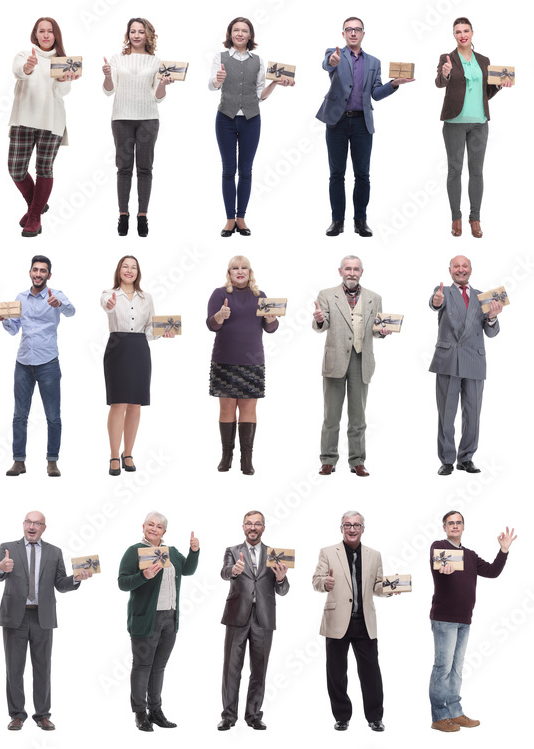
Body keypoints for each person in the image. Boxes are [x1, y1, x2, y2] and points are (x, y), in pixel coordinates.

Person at [0, 510, 89, 731]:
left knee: (43, 668)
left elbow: (61, 584)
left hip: (42, 616)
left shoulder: (54, 552)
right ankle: (17, 715)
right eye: (29, 522)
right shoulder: (8, 548)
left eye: (37, 523)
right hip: (14, 616)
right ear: (23, 524)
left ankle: (42, 715)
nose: (32, 526)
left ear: (44, 528)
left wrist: (76, 579)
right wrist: (1, 568)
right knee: (14, 668)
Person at [316, 16, 413, 237]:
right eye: (348, 30)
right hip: (336, 121)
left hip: (362, 122)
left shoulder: (374, 62)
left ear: (363, 34)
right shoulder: (335, 53)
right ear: (343, 34)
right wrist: (331, 61)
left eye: (357, 29)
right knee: (336, 174)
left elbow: (376, 94)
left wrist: (394, 84)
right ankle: (337, 221)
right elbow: (326, 65)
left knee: (362, 175)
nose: (352, 33)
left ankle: (360, 221)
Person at [428, 511, 515, 732]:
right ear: (444, 527)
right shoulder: (438, 547)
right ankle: (439, 717)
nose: (454, 526)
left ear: (463, 527)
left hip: (464, 620)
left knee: (456, 669)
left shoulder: (470, 555)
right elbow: (439, 564)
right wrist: (443, 568)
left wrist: (504, 550)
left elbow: (493, 572)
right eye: (450, 523)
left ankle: (455, 712)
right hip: (444, 619)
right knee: (443, 668)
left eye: (458, 523)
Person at [209, 17, 292, 237]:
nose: (239, 33)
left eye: (244, 31)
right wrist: (218, 79)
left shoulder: (258, 60)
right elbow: (212, 86)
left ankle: (241, 218)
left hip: (251, 119)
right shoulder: (221, 57)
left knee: (245, 171)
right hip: (225, 118)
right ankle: (229, 220)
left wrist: (274, 83)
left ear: (250, 35)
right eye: (235, 30)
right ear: (230, 33)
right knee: (229, 170)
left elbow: (260, 95)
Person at [117, 511, 199, 732]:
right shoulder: (134, 551)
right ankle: (140, 713)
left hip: (170, 618)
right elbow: (123, 583)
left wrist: (194, 551)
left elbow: (189, 570)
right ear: (143, 526)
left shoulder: (170, 552)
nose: (154, 529)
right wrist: (144, 576)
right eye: (150, 525)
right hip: (146, 619)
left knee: (159, 667)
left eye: (158, 526)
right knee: (142, 666)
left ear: (164, 531)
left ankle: (156, 711)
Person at [0, 255, 75, 477]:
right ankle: (18, 461)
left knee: (53, 416)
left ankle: (52, 461)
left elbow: (71, 312)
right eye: (35, 270)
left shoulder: (55, 295)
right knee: (19, 415)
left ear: (49, 275)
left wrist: (59, 304)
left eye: (43, 271)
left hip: (48, 362)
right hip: (23, 363)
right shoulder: (19, 297)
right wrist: (4, 319)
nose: (38, 274)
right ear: (30, 272)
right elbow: (14, 329)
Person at [312, 255, 389, 477]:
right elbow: (322, 324)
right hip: (335, 360)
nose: (351, 273)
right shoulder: (326, 295)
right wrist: (318, 318)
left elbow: (377, 328)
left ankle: (357, 461)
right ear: (340, 271)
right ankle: (328, 459)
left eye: (356, 269)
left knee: (358, 417)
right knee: (331, 415)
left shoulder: (375, 298)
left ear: (361, 272)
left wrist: (382, 332)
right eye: (348, 269)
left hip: (361, 360)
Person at [436, 17, 512, 238]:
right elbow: (439, 83)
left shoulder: (483, 60)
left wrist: (499, 84)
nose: (462, 34)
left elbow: (486, 93)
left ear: (472, 32)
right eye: (458, 31)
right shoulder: (447, 58)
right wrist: (446, 73)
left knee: (476, 172)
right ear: (454, 35)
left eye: (466, 30)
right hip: (454, 123)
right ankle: (456, 219)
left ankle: (475, 219)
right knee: (455, 171)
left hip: (479, 123)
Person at [311, 511, 387, 732]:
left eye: (356, 525)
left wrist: (391, 588)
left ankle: (375, 717)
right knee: (336, 672)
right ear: (341, 528)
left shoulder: (374, 555)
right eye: (347, 525)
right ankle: (342, 716)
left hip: (364, 622)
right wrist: (325, 582)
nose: (352, 529)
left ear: (363, 528)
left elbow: (378, 585)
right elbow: (316, 581)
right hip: (336, 620)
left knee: (371, 672)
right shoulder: (327, 552)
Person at [102, 255, 175, 475]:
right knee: (118, 403)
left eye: (133, 267)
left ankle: (128, 453)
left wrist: (164, 332)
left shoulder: (146, 298)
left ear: (138, 272)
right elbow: (106, 306)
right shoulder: (109, 294)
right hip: (117, 348)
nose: (129, 270)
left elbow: (150, 330)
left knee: (135, 404)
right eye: (125, 266)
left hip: (140, 349)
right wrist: (111, 304)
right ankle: (114, 455)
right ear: (119, 270)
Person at [429, 255, 501, 475]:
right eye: (456, 266)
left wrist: (492, 317)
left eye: (464, 266)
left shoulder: (483, 297)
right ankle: (447, 460)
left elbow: (491, 332)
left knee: (473, 413)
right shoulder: (443, 292)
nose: (460, 269)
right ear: (449, 270)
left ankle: (466, 458)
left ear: (471, 269)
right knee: (446, 414)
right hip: (448, 360)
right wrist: (436, 301)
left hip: (474, 360)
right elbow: (434, 304)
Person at [206, 255, 279, 475]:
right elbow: (211, 325)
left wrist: (270, 319)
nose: (240, 271)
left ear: (250, 272)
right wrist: (220, 315)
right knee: (227, 407)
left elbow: (272, 328)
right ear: (229, 272)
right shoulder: (219, 294)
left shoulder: (261, 296)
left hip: (252, 361)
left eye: (244, 268)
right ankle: (226, 456)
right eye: (235, 268)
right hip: (225, 359)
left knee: (249, 408)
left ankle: (246, 459)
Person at [103, 18, 174, 237]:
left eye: (140, 32)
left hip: (148, 120)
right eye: (132, 31)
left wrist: (163, 84)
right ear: (128, 34)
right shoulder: (116, 59)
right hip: (122, 118)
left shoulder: (156, 62)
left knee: (145, 168)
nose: (136, 35)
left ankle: (142, 216)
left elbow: (158, 97)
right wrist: (107, 75)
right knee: (124, 168)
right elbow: (108, 90)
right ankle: (123, 215)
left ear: (148, 35)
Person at [218, 510, 289, 731]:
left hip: (264, 618)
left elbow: (283, 590)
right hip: (237, 616)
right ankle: (229, 716)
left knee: (259, 669)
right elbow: (224, 572)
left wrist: (281, 578)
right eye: (249, 523)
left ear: (264, 528)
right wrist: (234, 570)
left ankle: (254, 715)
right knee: (231, 668)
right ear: (243, 527)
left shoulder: (275, 554)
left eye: (257, 524)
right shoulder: (232, 551)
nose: (253, 527)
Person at [9, 17, 77, 238]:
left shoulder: (63, 61)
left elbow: (60, 94)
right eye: (42, 31)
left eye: (50, 31)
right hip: (23, 119)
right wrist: (28, 67)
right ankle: (36, 206)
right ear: (35, 34)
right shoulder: (24, 55)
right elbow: (19, 72)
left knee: (44, 169)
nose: (46, 35)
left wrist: (65, 80)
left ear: (56, 35)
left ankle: (35, 216)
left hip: (52, 120)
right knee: (16, 169)